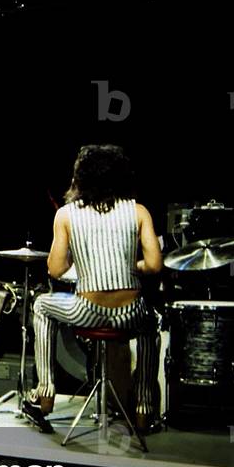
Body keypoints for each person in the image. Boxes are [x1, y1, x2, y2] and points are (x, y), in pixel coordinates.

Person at [26, 144, 163, 431]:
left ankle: (45, 391)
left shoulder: (65, 214)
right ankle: (143, 406)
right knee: (152, 324)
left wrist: (85, 265)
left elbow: (55, 269)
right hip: (130, 313)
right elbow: (154, 265)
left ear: (79, 178)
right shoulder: (138, 212)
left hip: (87, 311)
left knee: (41, 306)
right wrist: (131, 265)